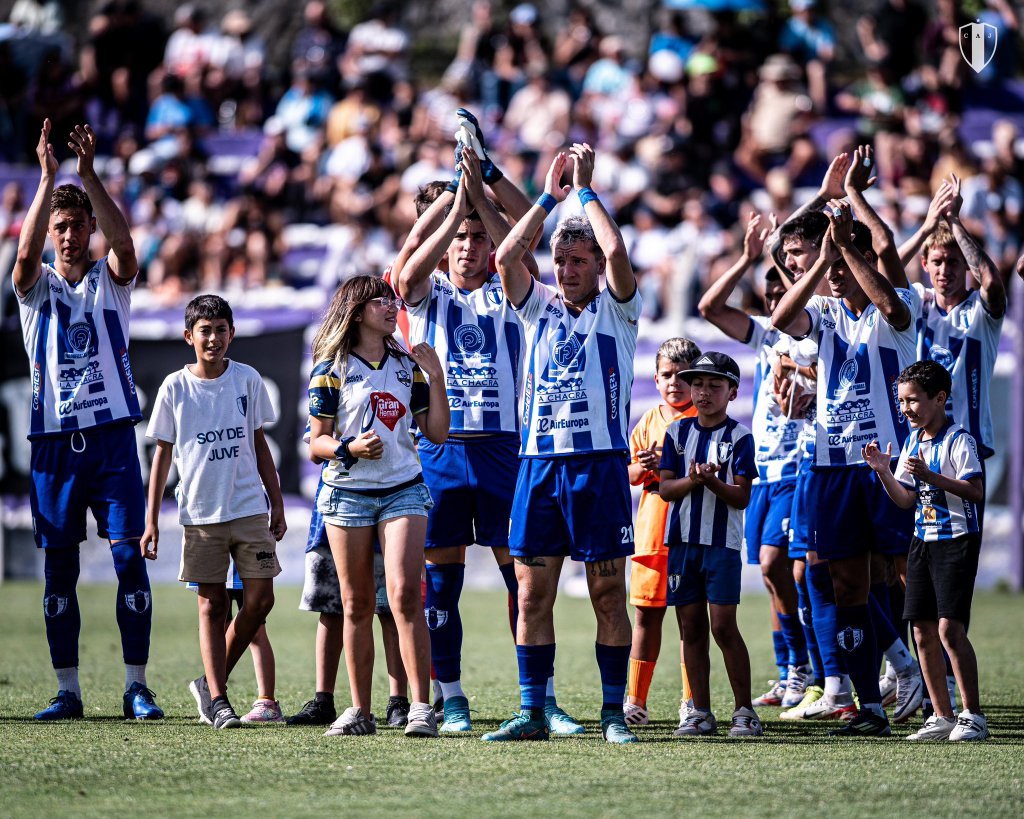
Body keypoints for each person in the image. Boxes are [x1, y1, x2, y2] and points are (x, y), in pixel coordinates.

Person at [397, 126, 580, 735]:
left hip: (506, 449)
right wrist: (459, 202)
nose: (470, 248)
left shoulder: (511, 292)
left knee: (524, 581)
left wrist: (481, 198)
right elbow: (405, 276)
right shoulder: (432, 296)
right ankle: (452, 698)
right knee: (440, 586)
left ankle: (539, 699)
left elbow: (519, 255)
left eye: (478, 239)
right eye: (461, 241)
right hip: (443, 449)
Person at [483, 144, 640, 744]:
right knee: (531, 592)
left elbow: (619, 249)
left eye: (578, 260)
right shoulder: (537, 309)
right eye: (561, 260)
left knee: (606, 590)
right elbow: (504, 256)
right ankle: (533, 710)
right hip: (538, 466)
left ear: (595, 266)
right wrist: (546, 196)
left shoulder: (619, 314)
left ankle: (610, 713)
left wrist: (584, 191)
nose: (567, 269)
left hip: (598, 467)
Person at [15, 120, 161, 721]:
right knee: (59, 569)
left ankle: (136, 686)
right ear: (51, 233)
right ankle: (68, 690)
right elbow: (22, 257)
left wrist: (89, 176)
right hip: (53, 444)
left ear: (89, 229)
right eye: (61, 227)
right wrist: (48, 180)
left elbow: (127, 251)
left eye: (78, 226)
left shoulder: (109, 283)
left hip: (113, 441)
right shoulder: (35, 288)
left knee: (128, 557)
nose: (69, 236)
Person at [771, 198, 921, 737]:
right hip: (833, 466)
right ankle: (870, 707)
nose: (832, 278)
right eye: (827, 267)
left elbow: (893, 309)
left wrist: (846, 251)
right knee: (845, 584)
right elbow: (782, 317)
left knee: (905, 571)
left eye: (839, 266)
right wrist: (822, 258)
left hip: (888, 464)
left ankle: (935, 680)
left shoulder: (897, 303)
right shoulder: (824, 315)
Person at [307, 276, 449, 738]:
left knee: (407, 596)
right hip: (346, 493)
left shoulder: (408, 367)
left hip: (403, 488)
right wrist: (349, 448)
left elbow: (437, 433)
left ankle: (421, 709)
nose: (392, 306)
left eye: (392, 299)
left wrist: (438, 377)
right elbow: (317, 444)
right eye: (381, 300)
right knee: (356, 604)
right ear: (357, 309)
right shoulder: (331, 367)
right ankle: (359, 712)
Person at [143, 294, 286, 729]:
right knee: (212, 603)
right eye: (204, 330)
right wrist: (151, 521)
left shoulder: (247, 379)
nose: (213, 338)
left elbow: (260, 444)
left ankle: (208, 680)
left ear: (232, 334)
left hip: (248, 508)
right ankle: (220, 699)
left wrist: (276, 500)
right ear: (189, 336)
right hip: (201, 512)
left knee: (261, 600)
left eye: (221, 329)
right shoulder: (174, 386)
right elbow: (161, 457)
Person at [698, 213, 813, 711]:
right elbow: (709, 306)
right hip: (764, 474)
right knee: (771, 577)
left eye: (781, 295)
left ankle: (820, 670)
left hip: (799, 469)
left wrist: (777, 256)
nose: (774, 307)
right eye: (768, 300)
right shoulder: (768, 340)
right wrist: (748, 256)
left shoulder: (809, 340)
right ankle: (792, 671)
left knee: (789, 569)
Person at [863, 361, 988, 741]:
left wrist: (931, 477)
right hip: (922, 541)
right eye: (901, 401)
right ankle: (941, 715)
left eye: (913, 400)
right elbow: (904, 500)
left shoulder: (959, 440)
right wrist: (884, 471)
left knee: (950, 630)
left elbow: (975, 491)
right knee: (921, 630)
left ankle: (973, 716)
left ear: (940, 398)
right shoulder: (912, 441)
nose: (906, 409)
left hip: (957, 541)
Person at [659, 352, 762, 738]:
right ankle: (699, 710)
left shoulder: (740, 436)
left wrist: (713, 482)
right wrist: (694, 480)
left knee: (723, 626)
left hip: (722, 545)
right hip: (683, 543)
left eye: (714, 385)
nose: (703, 392)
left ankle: (744, 710)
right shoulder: (677, 433)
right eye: (698, 384)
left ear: (732, 392)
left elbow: (742, 497)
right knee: (690, 628)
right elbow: (666, 488)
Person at [623, 337, 701, 727]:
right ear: (655, 379)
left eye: (684, 376)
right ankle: (635, 700)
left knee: (690, 618)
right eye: (667, 375)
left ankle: (691, 702)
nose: (675, 383)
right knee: (646, 617)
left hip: (692, 530)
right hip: (653, 532)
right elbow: (631, 474)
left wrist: (672, 461)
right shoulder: (648, 420)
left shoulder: (704, 421)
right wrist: (647, 465)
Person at [287, 485, 411, 728]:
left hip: (391, 503)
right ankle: (323, 701)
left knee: (392, 611)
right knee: (332, 608)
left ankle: (399, 702)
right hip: (338, 506)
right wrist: (349, 449)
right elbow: (314, 451)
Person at [187, 561, 283, 723]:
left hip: (245, 553)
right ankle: (215, 695)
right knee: (219, 623)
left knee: (256, 628)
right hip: (219, 553)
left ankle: (266, 701)